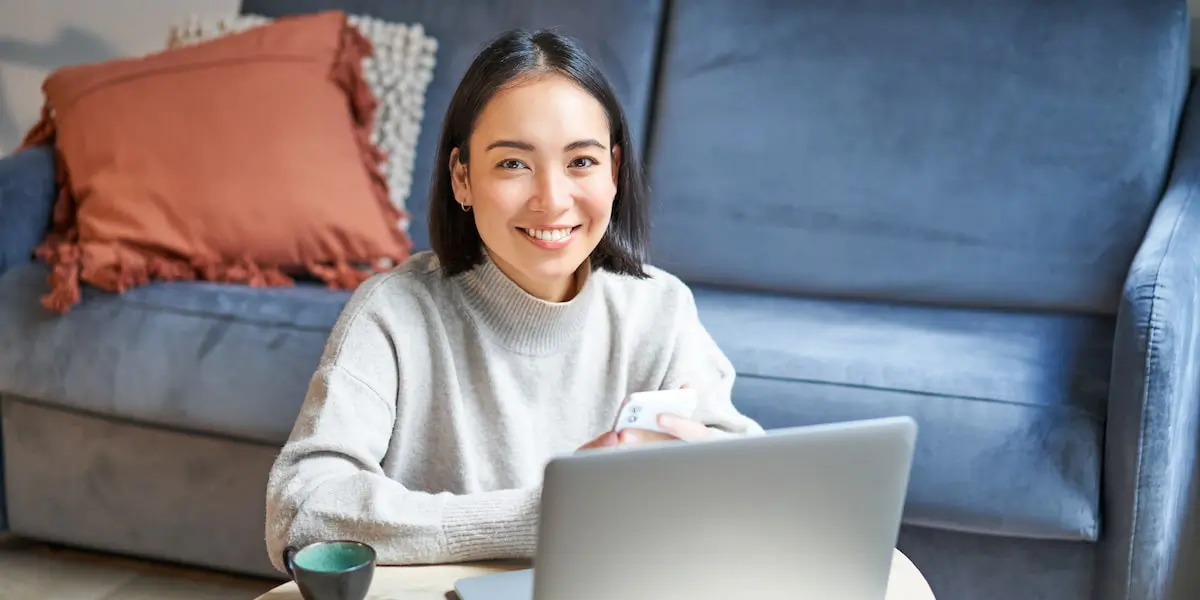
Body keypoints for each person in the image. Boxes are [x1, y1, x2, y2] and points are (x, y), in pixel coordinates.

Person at [263, 28, 764, 573]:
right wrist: (548, 513)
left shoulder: (660, 309)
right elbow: (303, 508)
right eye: (512, 164)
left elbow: (761, 485)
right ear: (462, 178)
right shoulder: (393, 313)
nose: (552, 200)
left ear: (615, 172)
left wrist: (705, 477)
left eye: (581, 162)